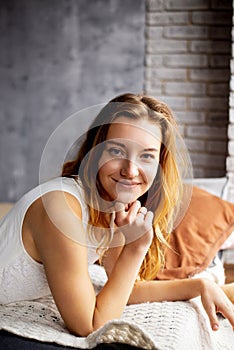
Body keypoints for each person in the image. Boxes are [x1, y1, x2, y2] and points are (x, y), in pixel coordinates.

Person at [0, 93, 234, 338]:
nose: (130, 170)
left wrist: (199, 285)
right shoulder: (61, 206)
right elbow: (89, 325)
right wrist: (136, 247)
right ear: (95, 152)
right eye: (116, 150)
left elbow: (123, 291)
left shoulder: (110, 204)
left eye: (146, 156)